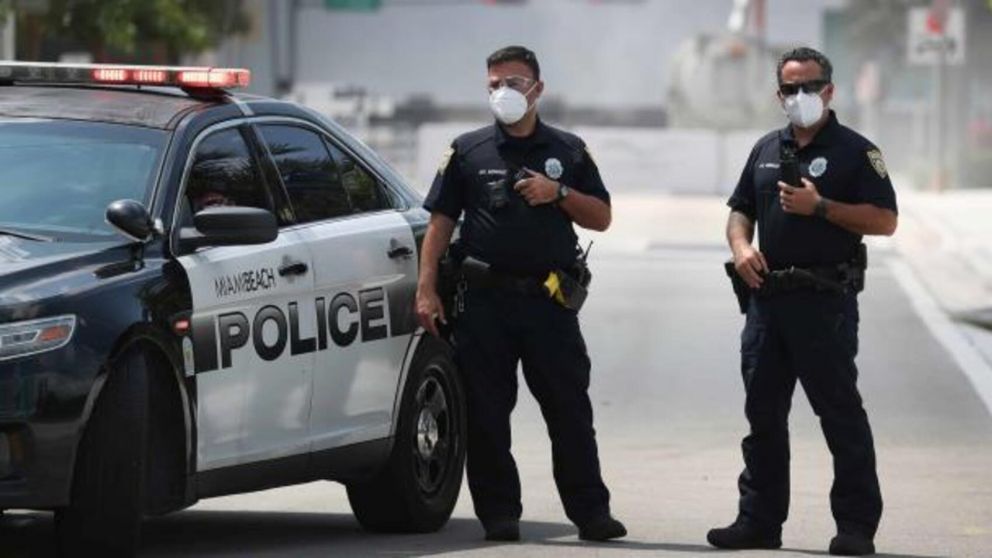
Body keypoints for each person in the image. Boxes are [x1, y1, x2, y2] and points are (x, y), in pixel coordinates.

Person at [415, 45, 626, 543]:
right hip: (483, 303)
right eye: (494, 85)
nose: (502, 92)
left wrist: (560, 193)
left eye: (513, 83)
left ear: (537, 89)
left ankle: (591, 513)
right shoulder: (467, 151)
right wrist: (426, 289)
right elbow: (440, 222)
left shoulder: (568, 151)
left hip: (549, 302)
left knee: (570, 412)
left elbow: (602, 217)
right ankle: (499, 514)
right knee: (487, 415)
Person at [708, 47, 897, 557]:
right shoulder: (766, 148)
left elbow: (885, 220)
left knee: (840, 415)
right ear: (779, 95)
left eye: (809, 86)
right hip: (767, 303)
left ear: (829, 90)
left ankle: (855, 527)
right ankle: (758, 522)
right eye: (790, 89)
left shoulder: (857, 152)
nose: (800, 96)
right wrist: (741, 248)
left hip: (824, 302)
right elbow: (740, 211)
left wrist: (822, 207)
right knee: (763, 417)